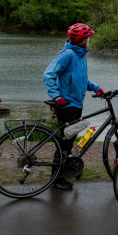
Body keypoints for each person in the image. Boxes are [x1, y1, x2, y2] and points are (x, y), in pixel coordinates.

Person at [43, 23, 104, 189]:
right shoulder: (68, 55)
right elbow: (48, 75)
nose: (89, 41)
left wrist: (96, 87)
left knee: (68, 142)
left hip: (76, 103)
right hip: (67, 104)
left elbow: (81, 79)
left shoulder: (80, 56)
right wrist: (56, 96)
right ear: (82, 40)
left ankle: (66, 171)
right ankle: (57, 179)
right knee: (64, 143)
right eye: (88, 38)